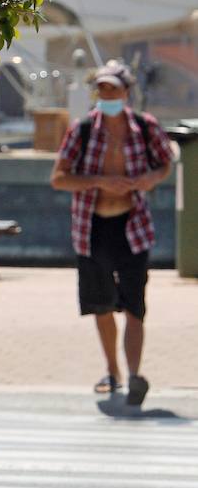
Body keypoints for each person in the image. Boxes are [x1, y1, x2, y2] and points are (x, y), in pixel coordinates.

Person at [51, 59, 173, 406]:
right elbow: (59, 178)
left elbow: (165, 162)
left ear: (126, 92)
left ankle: (135, 376)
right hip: (92, 228)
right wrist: (99, 181)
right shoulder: (84, 129)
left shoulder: (145, 127)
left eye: (112, 89)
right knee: (101, 306)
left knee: (135, 306)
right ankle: (113, 372)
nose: (106, 94)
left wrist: (149, 178)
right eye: (101, 89)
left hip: (133, 227)